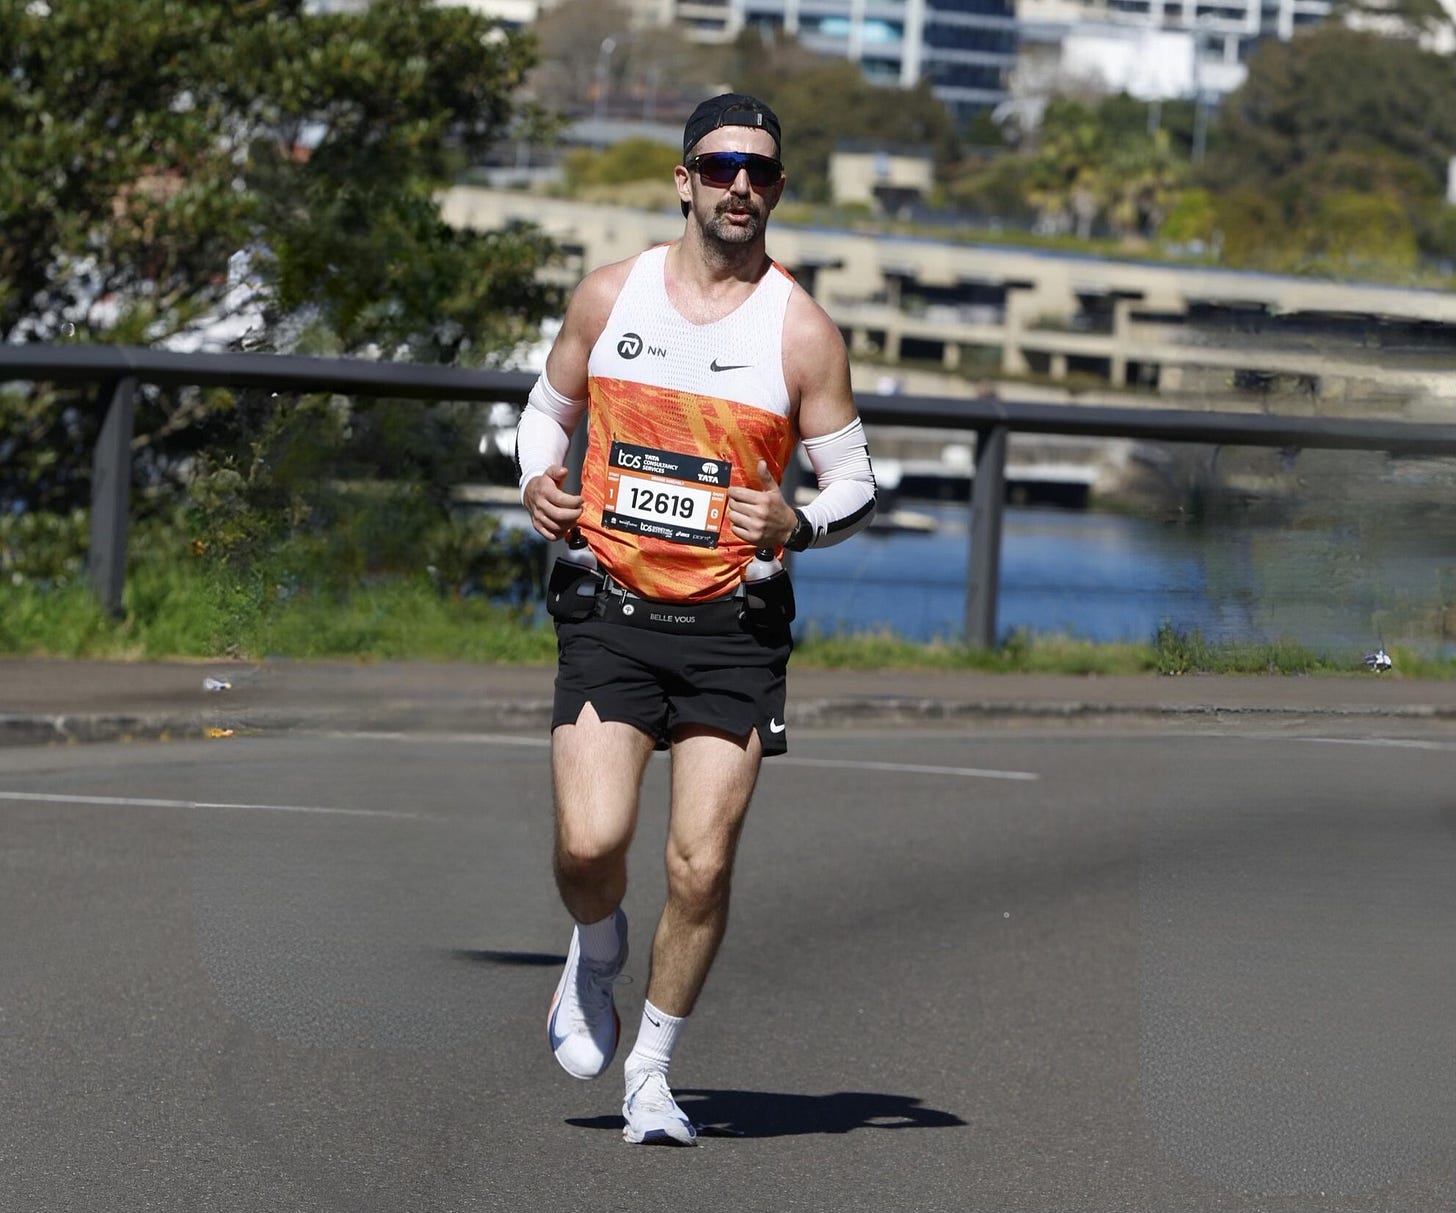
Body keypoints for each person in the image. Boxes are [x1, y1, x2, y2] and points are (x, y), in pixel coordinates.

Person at [515, 92, 877, 1146]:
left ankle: (652, 1073)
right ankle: (593, 945)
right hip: (612, 608)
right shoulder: (610, 297)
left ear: (775, 189)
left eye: (760, 171)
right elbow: (547, 411)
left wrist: (797, 521)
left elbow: (856, 482)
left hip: (732, 628)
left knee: (700, 864)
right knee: (592, 844)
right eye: (720, 165)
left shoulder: (801, 330)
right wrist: (539, 479)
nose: (739, 187)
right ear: (684, 178)